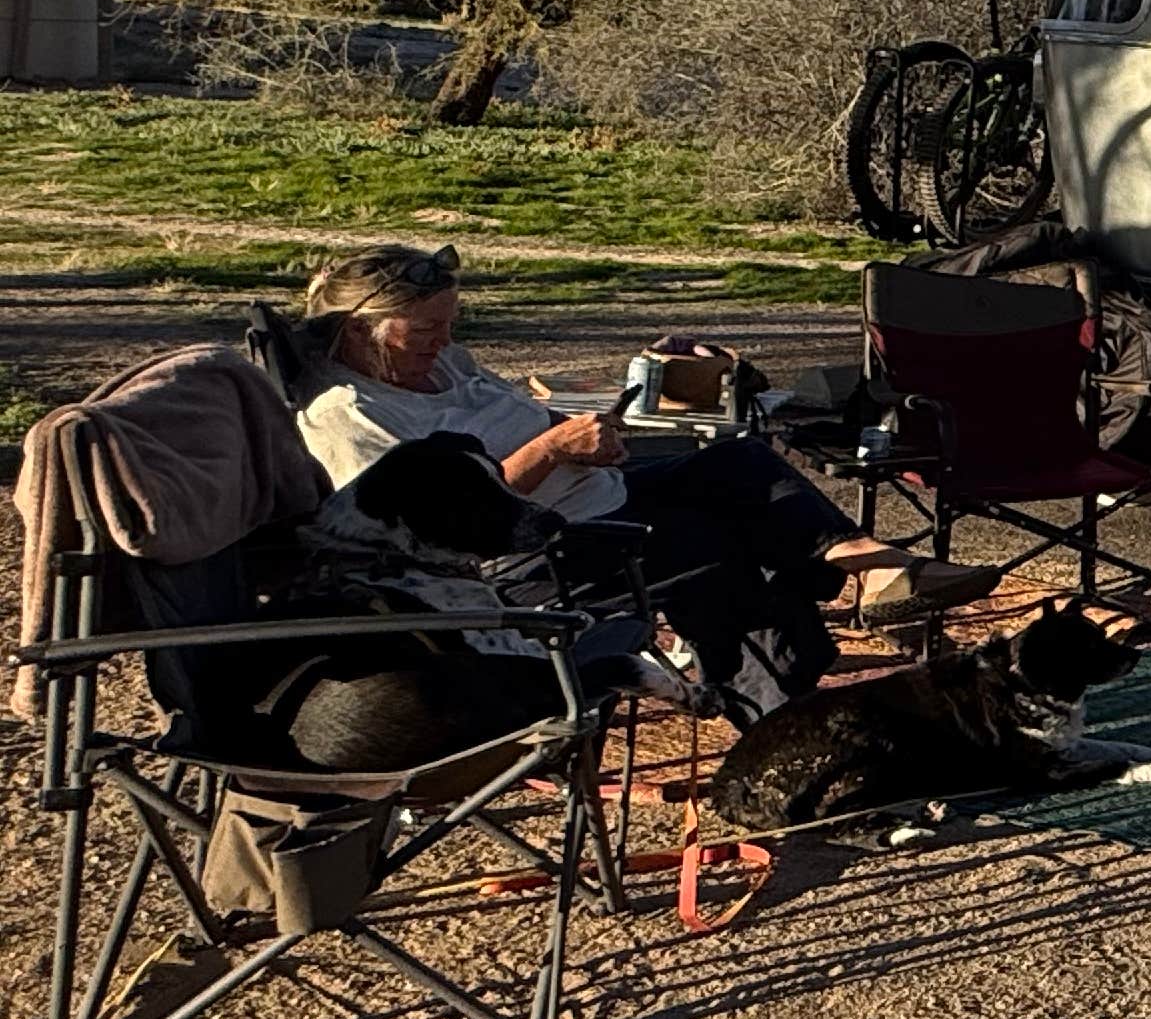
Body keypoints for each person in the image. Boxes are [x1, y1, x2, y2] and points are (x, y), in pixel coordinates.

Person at [292, 245, 992, 718]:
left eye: (448, 325)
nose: (444, 342)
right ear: (356, 330)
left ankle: (867, 569)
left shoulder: (444, 365)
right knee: (718, 548)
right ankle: (784, 708)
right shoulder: (346, 414)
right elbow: (432, 523)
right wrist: (553, 449)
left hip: (600, 495)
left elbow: (515, 418)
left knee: (739, 460)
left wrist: (584, 427)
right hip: (530, 556)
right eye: (424, 332)